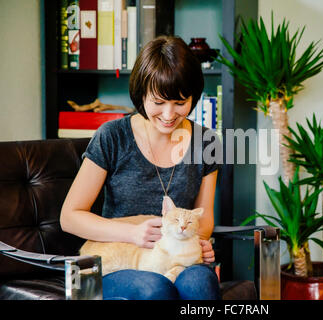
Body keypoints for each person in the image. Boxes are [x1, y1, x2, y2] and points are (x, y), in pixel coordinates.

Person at [60, 35, 222, 300]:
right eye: (158, 102)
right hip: (118, 262)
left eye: (180, 103)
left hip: (176, 258)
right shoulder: (112, 136)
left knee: (199, 285)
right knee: (155, 289)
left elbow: (204, 220)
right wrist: (133, 233)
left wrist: (195, 242)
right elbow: (69, 216)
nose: (169, 115)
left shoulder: (207, 142)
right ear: (141, 94)